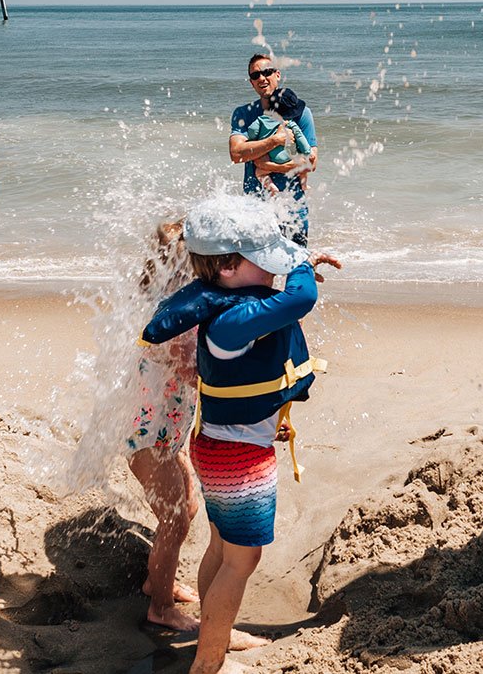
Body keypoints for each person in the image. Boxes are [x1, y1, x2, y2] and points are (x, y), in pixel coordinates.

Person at [139, 194, 340, 674]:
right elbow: (303, 298)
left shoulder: (226, 304)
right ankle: (208, 663)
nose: (273, 270)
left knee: (220, 547)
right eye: (264, 261)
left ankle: (216, 635)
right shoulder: (230, 323)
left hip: (217, 446)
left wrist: (297, 257)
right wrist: (299, 261)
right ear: (227, 267)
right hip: (238, 458)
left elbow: (284, 297)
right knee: (241, 561)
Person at [122, 220, 204, 632]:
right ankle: (160, 608)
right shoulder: (176, 312)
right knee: (175, 518)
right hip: (150, 438)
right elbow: (191, 370)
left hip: (164, 435)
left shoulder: (175, 299)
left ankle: (158, 581)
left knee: (187, 507)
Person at [229, 55, 318, 246]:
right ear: (252, 82)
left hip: (293, 207)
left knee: (296, 265)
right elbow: (236, 154)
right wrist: (274, 140)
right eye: (255, 75)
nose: (262, 78)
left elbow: (311, 162)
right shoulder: (243, 113)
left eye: (267, 72)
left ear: (277, 75)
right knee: (257, 272)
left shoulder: (300, 112)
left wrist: (267, 165)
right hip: (255, 207)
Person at [242, 87, 313, 195]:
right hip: (290, 157)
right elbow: (300, 138)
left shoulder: (261, 120)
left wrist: (253, 138)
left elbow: (252, 131)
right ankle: (303, 184)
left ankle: (271, 186)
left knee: (260, 173)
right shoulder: (290, 123)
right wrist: (308, 152)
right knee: (302, 167)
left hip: (270, 159)